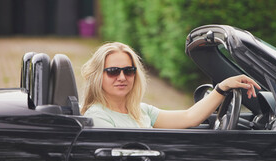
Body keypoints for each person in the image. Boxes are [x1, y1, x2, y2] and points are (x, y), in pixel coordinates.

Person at [81, 42, 261, 129]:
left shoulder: (140, 111)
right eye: (113, 71)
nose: (122, 77)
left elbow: (189, 117)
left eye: (128, 71)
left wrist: (222, 88)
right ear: (98, 76)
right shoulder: (97, 117)